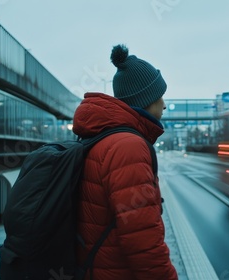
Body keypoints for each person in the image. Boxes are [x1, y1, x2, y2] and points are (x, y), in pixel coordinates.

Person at [72, 44, 178, 280]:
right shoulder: (128, 147)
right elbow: (143, 240)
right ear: (147, 100)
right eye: (160, 97)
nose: (164, 104)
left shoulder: (104, 138)